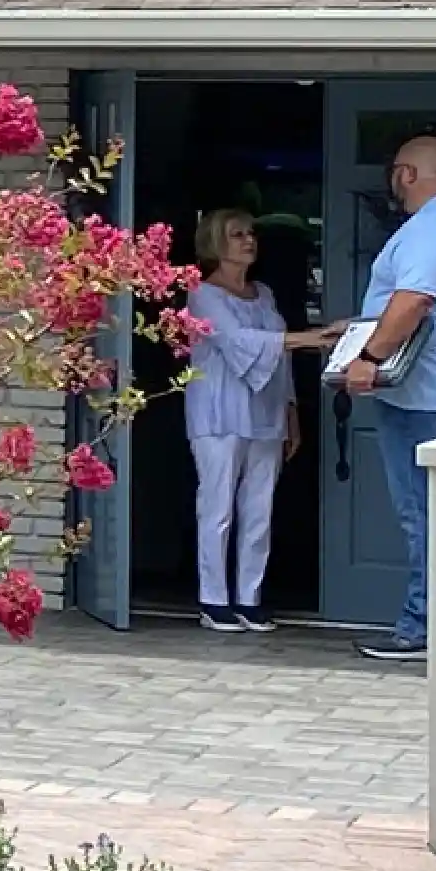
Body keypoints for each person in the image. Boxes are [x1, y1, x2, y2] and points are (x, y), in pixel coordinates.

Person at [334, 132, 436, 664]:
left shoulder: (431, 227)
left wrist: (370, 358)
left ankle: (421, 627)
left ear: (406, 174)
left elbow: (415, 299)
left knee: (423, 514)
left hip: (421, 394)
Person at [178, 209, 317, 633]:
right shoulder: (203, 295)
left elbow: (279, 360)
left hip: (266, 411)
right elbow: (237, 342)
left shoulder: (265, 294)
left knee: (260, 509)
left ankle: (248, 597)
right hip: (220, 411)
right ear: (215, 243)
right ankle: (213, 599)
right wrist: (309, 337)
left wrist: (291, 411)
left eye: (251, 233)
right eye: (237, 234)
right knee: (217, 507)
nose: (248, 241)